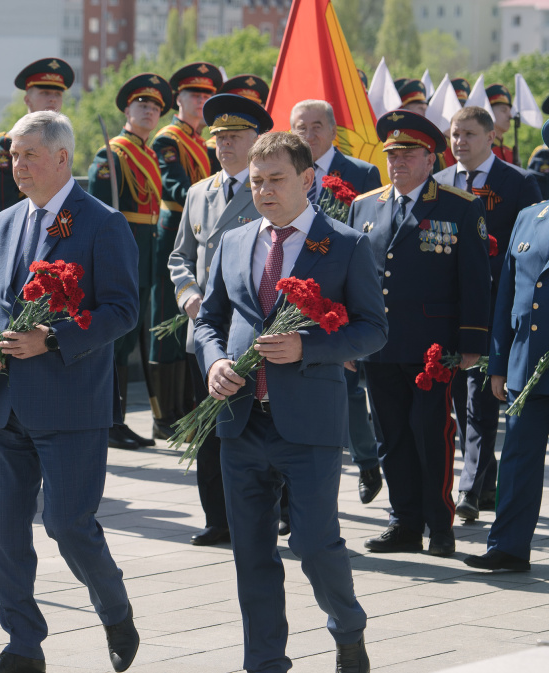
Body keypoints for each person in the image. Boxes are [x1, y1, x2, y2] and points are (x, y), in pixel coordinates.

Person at [194, 130, 385, 673]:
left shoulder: (344, 244)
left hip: (309, 422)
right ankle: (265, 661)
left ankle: (347, 627)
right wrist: (214, 363)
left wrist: (309, 346)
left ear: (308, 179)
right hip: (240, 419)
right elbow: (210, 322)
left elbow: (373, 330)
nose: (264, 191)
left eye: (277, 179)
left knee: (315, 543)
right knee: (251, 552)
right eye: (256, 181)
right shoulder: (234, 241)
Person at [0, 110, 140, 673]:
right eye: (13, 156)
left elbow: (121, 310)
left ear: (62, 157)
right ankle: (23, 644)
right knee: (5, 535)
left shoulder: (101, 222)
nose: (17, 166)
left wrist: (56, 338)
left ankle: (114, 609)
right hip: (6, 402)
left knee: (68, 525)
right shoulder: (5, 220)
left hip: (69, 402)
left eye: (29, 156)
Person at [349, 111, 491, 557]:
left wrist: (471, 343)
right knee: (390, 436)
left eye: (409, 154)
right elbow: (352, 278)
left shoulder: (459, 206)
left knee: (431, 434)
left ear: (431, 158)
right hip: (378, 343)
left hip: (434, 346)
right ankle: (403, 521)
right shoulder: (364, 205)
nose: (398, 162)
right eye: (392, 154)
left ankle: (439, 523)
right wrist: (348, 339)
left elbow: (474, 279)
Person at [465, 112, 549, 577]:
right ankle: (508, 546)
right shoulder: (530, 216)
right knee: (518, 456)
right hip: (529, 360)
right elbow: (507, 296)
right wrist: (498, 364)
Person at [168, 93, 271, 546]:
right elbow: (179, 257)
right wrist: (189, 294)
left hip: (252, 328)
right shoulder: (199, 192)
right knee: (209, 425)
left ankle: (274, 508)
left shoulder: (267, 188)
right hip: (205, 330)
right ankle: (218, 517)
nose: (225, 146)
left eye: (235, 137)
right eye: (219, 138)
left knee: (260, 421)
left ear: (256, 140)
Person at [434, 106, 542, 522]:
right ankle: (484, 480)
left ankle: (468, 489)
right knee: (461, 405)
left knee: (481, 402)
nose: (459, 142)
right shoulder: (440, 183)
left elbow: (531, 247)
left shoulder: (518, 183)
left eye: (469, 135)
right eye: (454, 135)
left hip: (498, 307)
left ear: (490, 138)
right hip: (450, 309)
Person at [290, 99, 385, 505]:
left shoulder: (361, 174)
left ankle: (366, 462)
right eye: (299, 128)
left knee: (347, 391)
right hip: (293, 299)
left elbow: (372, 240)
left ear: (332, 131)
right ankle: (290, 494)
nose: (308, 135)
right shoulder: (285, 170)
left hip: (340, 302)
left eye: (316, 127)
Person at [89, 72, 172, 450]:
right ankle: (106, 420)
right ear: (127, 109)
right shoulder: (112, 154)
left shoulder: (148, 154)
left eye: (155, 107)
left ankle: (116, 420)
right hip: (121, 255)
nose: (149, 111)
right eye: (142, 104)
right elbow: (100, 211)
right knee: (115, 342)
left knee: (126, 344)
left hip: (145, 256)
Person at [148, 62, 222, 439]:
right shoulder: (168, 139)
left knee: (191, 328)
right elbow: (173, 185)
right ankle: (164, 416)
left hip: (203, 234)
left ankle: (184, 411)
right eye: (195, 94)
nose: (201, 101)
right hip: (175, 233)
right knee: (167, 324)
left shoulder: (200, 141)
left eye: (207, 95)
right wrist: (207, 196)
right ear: (178, 98)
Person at [0, 58, 74, 220]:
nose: (53, 99)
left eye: (57, 94)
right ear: (27, 100)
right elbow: (4, 213)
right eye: (45, 93)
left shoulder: (62, 142)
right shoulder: (6, 146)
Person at [486, 84, 517, 164]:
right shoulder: (482, 152)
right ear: (489, 112)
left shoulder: (509, 153)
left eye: (509, 111)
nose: (510, 115)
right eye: (504, 110)